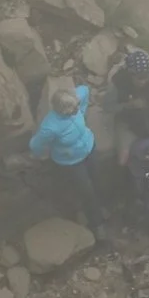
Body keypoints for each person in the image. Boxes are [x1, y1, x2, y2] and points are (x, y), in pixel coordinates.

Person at [29, 80, 105, 237]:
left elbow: (85, 90)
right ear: (62, 110)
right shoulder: (50, 127)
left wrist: (82, 110)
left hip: (89, 147)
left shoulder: (76, 101)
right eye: (73, 109)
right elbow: (36, 144)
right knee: (86, 191)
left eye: (77, 106)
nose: (76, 109)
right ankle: (96, 223)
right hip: (71, 161)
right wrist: (39, 155)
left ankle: (99, 206)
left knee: (97, 179)